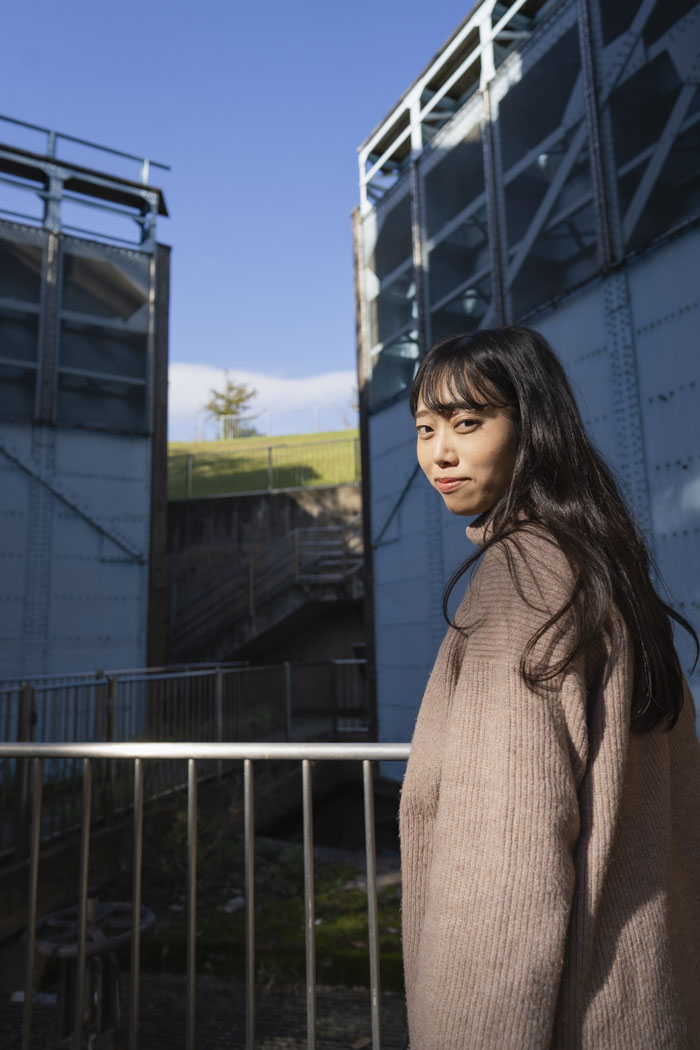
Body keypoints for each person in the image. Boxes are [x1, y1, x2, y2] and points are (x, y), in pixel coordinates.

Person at [399, 325, 700, 1049]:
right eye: (426, 428)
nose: (440, 453)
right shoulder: (600, 562)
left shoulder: (525, 581)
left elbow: (504, 864)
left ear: (531, 426)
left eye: (468, 422)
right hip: (646, 1001)